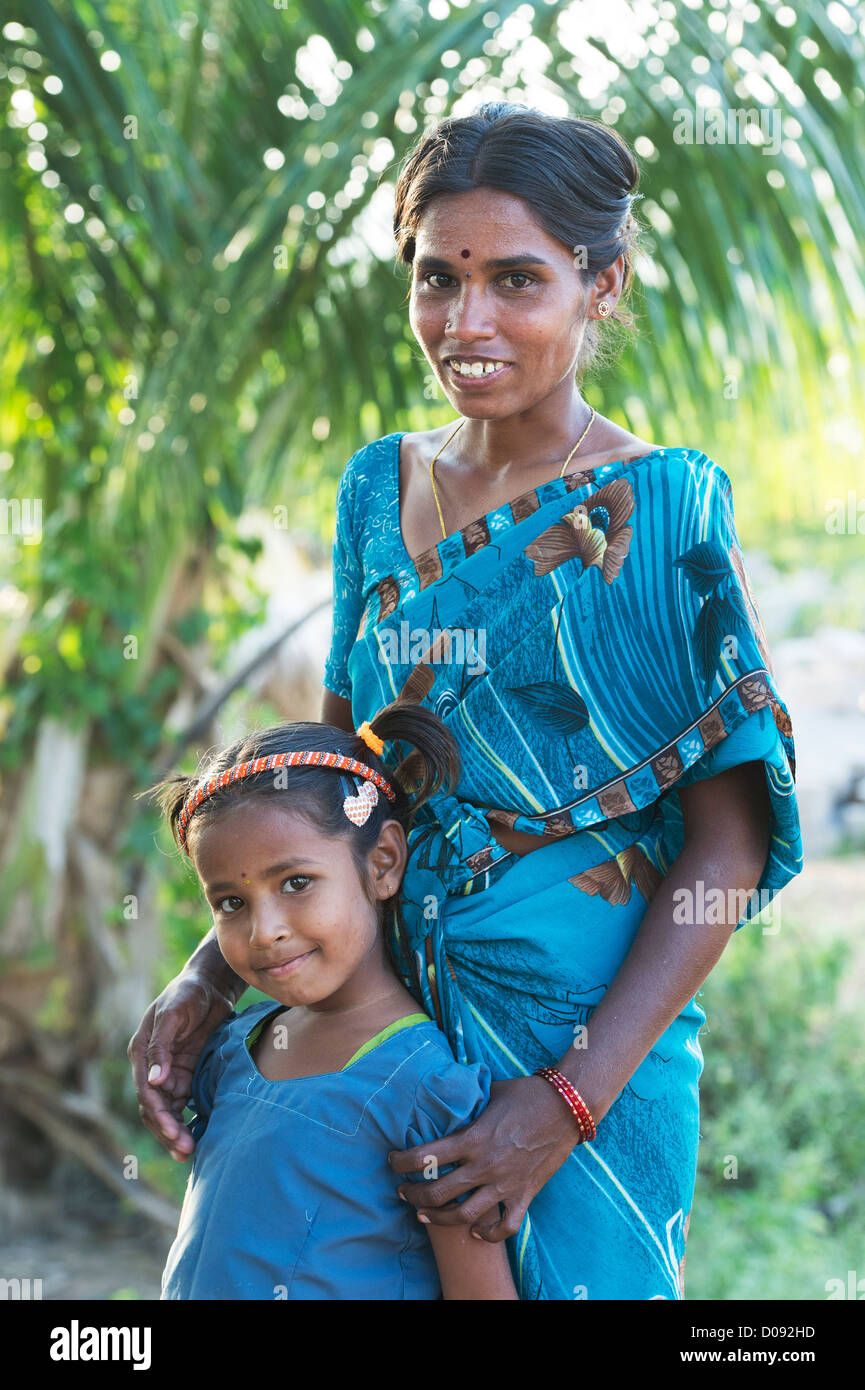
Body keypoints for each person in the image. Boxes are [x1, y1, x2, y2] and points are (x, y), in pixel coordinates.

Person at [130, 103, 804, 1300]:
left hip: (587, 1051)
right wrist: (208, 975)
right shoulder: (374, 494)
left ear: (604, 285)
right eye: (438, 278)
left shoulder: (661, 515)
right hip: (380, 1031)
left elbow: (729, 839)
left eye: (516, 280)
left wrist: (564, 1104)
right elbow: (331, 785)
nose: (467, 321)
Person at [140, 701, 518, 1300]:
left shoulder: (423, 1090)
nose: (264, 931)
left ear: (384, 863)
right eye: (231, 904)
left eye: (296, 884)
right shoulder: (232, 1050)